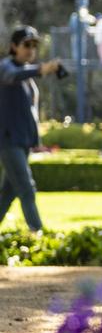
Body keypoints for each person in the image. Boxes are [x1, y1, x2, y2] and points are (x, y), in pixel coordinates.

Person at [0, 26, 60, 233]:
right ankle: (37, 232)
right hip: (8, 141)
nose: (31, 50)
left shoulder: (27, 76)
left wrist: (35, 140)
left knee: (8, 192)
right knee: (27, 188)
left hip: (22, 142)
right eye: (26, 45)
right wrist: (40, 69)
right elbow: (11, 75)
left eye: (34, 46)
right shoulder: (7, 67)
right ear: (14, 46)